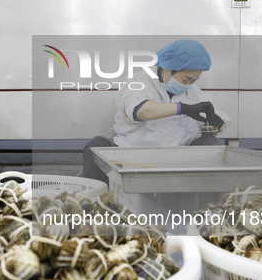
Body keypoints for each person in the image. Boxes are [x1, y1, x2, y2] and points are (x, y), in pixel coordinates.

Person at [83, 39, 229, 184]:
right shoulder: (139, 81)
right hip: (130, 157)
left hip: (178, 160)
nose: (188, 85)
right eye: (185, 79)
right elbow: (139, 110)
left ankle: (204, 202)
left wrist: (215, 121)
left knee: (211, 142)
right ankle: (97, 202)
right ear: (166, 68)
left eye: (193, 81)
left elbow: (217, 115)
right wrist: (181, 108)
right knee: (96, 146)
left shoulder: (192, 91)